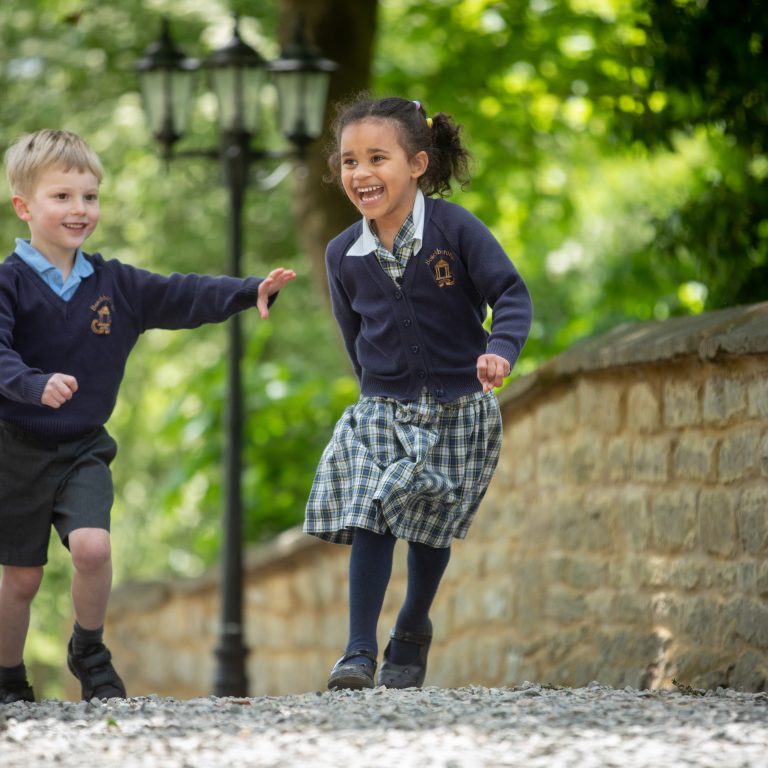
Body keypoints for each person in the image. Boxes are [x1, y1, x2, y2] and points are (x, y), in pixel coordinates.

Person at [0, 129, 296, 704]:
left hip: (83, 446)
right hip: (16, 445)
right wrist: (33, 385)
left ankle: (89, 649)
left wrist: (248, 291)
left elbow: (180, 294)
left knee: (92, 549)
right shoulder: (7, 283)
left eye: (90, 197)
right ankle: (9, 678)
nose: (80, 209)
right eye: (62, 197)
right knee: (21, 578)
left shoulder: (115, 284)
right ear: (24, 206)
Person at [304, 96, 532, 690]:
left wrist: (500, 352)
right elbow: (355, 339)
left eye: (377, 157)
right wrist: (378, 393)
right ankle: (357, 651)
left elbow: (510, 295)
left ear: (417, 164)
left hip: (461, 405)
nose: (360, 173)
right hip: (383, 404)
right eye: (349, 161)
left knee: (430, 520)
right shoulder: (342, 255)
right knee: (372, 511)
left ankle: (412, 626)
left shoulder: (456, 230)